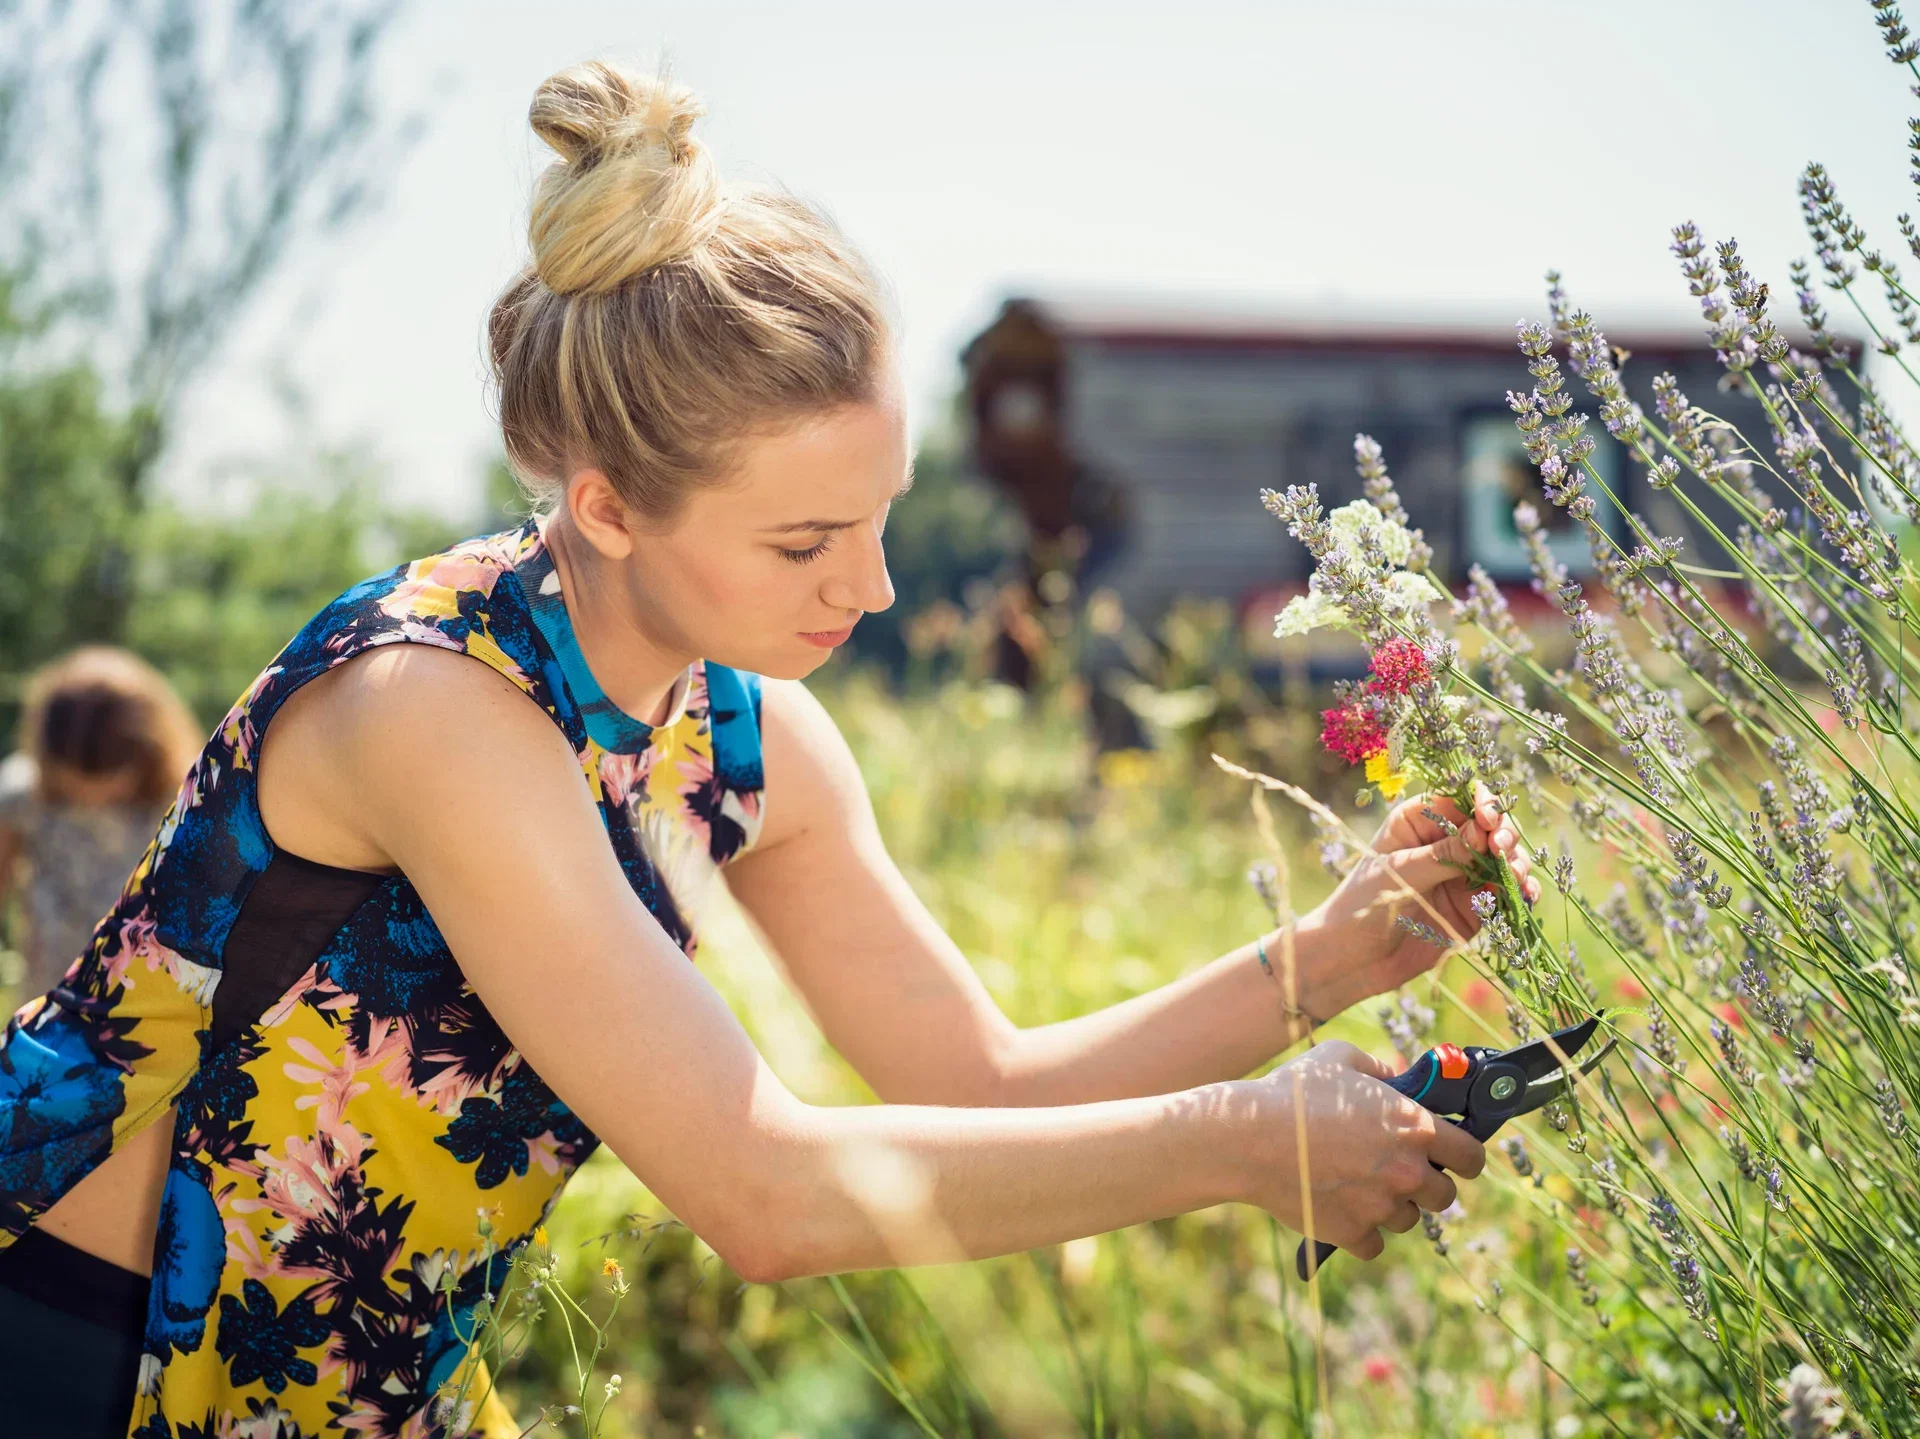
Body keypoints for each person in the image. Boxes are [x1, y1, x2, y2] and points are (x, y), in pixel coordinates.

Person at [0, 62, 1537, 1438]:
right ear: (604, 504)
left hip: (345, 1377)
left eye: (880, 520)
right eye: (806, 539)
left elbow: (984, 1078)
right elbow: (764, 1194)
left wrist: (1328, 959)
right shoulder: (433, 705)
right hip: (75, 1334)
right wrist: (1243, 1142)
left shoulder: (748, 746)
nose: (867, 587)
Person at [0, 647, 201, 998]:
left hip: (149, 1007)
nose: (89, 796)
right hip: (51, 1002)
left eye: (107, 780)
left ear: (149, 752)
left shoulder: (188, 799)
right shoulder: (24, 795)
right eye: (74, 782)